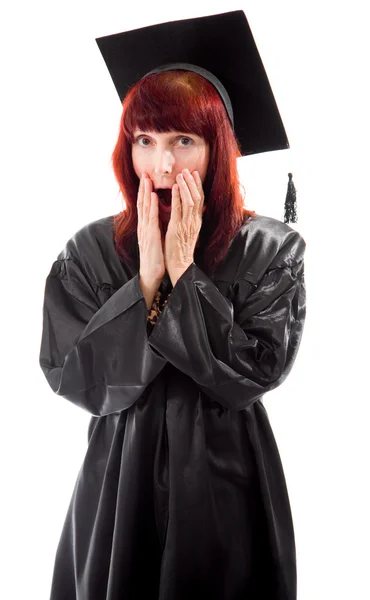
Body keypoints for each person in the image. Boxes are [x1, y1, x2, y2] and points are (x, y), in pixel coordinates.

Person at [39, 10, 306, 600]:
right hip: (118, 471)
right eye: (146, 141)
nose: (162, 166)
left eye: (184, 141)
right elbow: (75, 377)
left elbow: (251, 374)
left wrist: (185, 273)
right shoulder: (91, 249)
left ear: (220, 149)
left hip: (222, 469)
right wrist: (149, 278)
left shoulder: (268, 248)